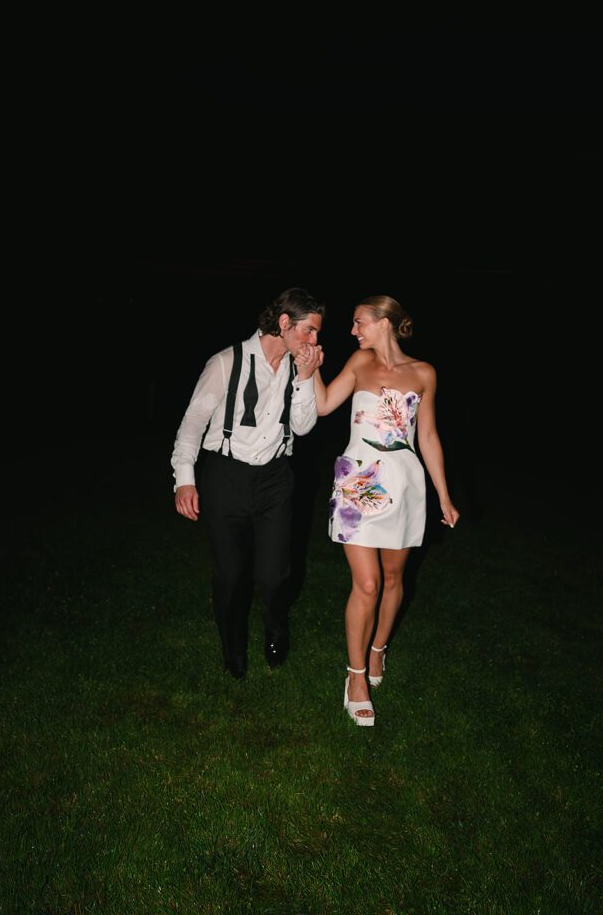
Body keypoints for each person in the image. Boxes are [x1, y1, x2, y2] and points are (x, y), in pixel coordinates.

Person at [306, 295, 459, 726]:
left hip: (405, 480)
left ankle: (378, 651)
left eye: (360, 323)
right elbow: (322, 406)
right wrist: (310, 369)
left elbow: (427, 436)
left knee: (394, 578)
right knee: (368, 583)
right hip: (358, 479)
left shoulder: (424, 373)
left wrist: (443, 496)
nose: (354, 332)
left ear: (385, 323)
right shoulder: (358, 363)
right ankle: (355, 678)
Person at [172, 287, 325, 679]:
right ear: (285, 323)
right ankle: (233, 650)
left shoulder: (298, 366)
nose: (313, 341)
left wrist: (307, 377)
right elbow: (192, 423)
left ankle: (276, 623)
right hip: (226, 476)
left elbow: (304, 426)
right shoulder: (226, 362)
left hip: (275, 479)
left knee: (275, 575)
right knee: (230, 575)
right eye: (308, 331)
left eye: (316, 334)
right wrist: (184, 480)